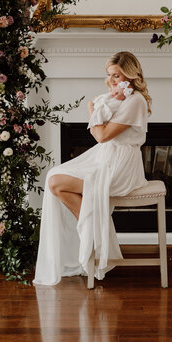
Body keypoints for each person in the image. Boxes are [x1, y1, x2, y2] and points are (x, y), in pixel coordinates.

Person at [33, 51, 152, 286]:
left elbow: (102, 135)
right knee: (54, 178)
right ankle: (94, 230)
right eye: (110, 75)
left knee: (56, 182)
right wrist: (106, 102)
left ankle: (93, 232)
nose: (113, 81)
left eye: (117, 75)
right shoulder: (119, 98)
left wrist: (91, 112)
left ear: (130, 74)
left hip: (121, 165)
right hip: (105, 158)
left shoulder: (135, 100)